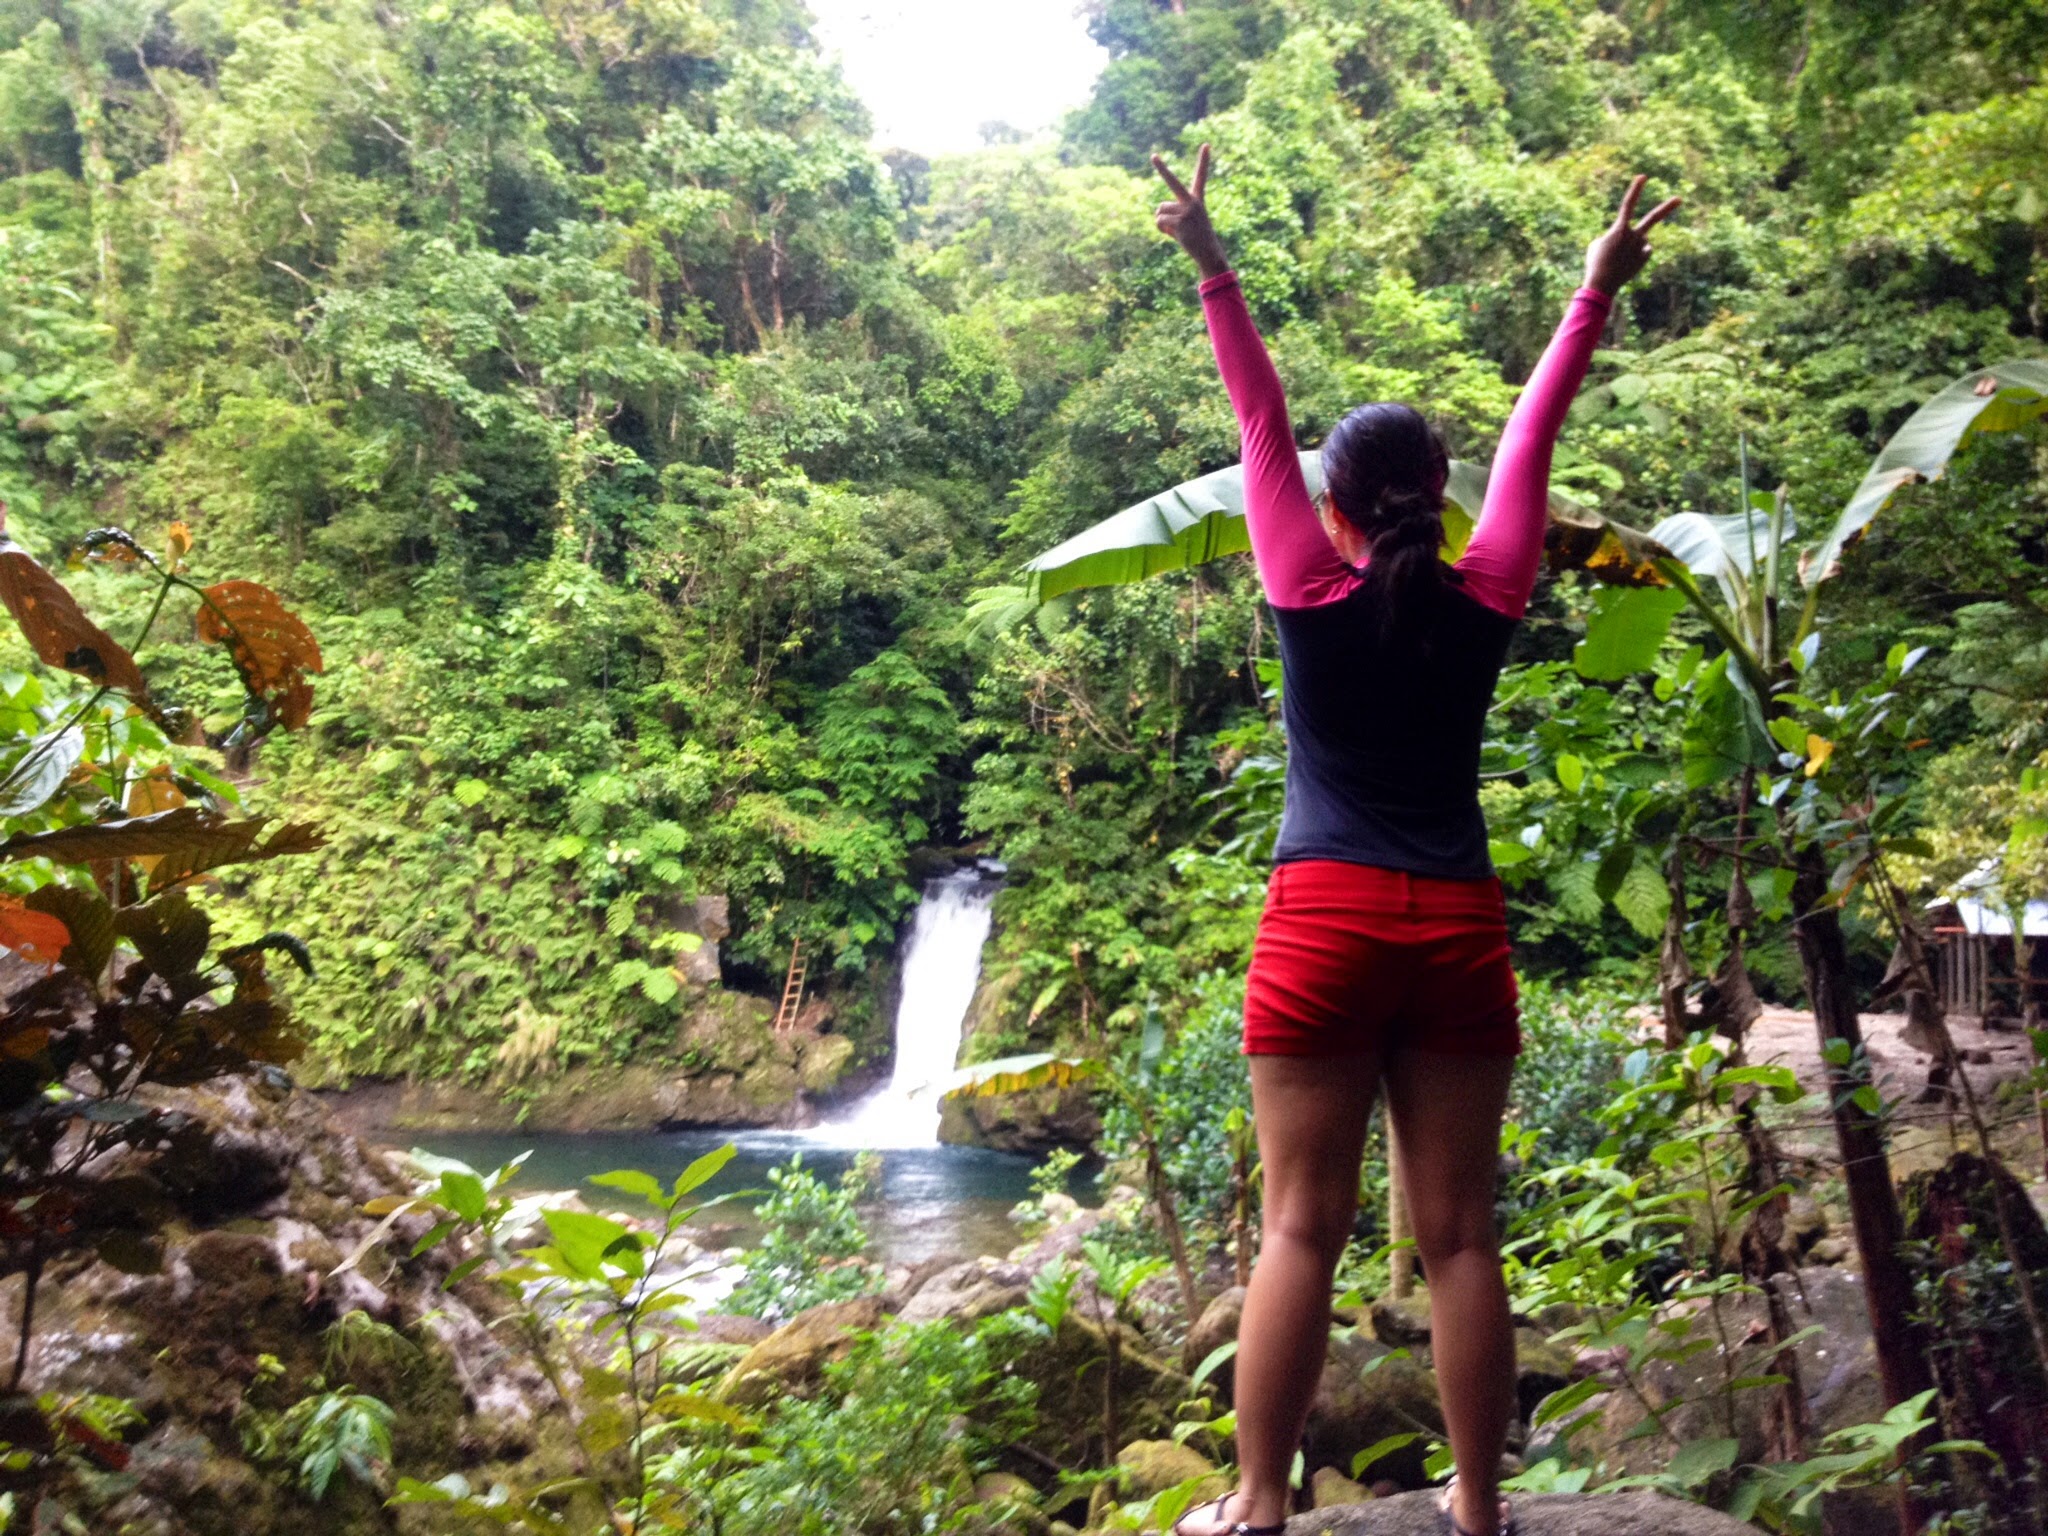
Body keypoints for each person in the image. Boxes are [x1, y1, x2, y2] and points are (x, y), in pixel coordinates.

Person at [1151, 147, 1679, 1536]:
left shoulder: (1300, 572)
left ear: (1332, 503)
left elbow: (1257, 416)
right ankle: (1485, 1510)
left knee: (1298, 1232)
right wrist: (1591, 293)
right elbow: (1532, 445)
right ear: (1438, 501)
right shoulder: (1490, 584)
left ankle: (1260, 1506)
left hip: (1321, 924)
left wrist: (1212, 260)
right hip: (1454, 927)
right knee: (1458, 1237)